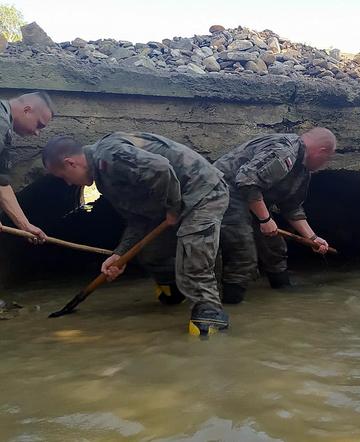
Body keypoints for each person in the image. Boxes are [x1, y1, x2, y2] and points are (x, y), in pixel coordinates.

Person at [42, 132, 230, 337]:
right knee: (150, 253)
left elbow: (161, 169)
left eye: (63, 177)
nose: (68, 184)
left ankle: (209, 313)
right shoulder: (104, 180)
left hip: (202, 191)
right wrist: (120, 255)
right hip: (172, 203)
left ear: (71, 163)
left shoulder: (109, 154)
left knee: (192, 254)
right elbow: (138, 218)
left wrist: (173, 208)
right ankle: (174, 287)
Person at [214, 128, 335, 304]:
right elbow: (246, 181)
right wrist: (265, 219)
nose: (325, 164)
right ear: (321, 151)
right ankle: (232, 306)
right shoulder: (285, 151)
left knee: (275, 247)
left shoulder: (302, 171)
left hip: (252, 199)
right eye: (327, 159)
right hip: (226, 191)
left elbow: (292, 207)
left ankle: (284, 294)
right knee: (243, 253)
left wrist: (313, 238)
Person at [0, 92, 54, 242]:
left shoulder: (5, 128)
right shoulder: (1, 121)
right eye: (39, 125)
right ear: (27, 110)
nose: (37, 133)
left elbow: (2, 185)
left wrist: (25, 225)